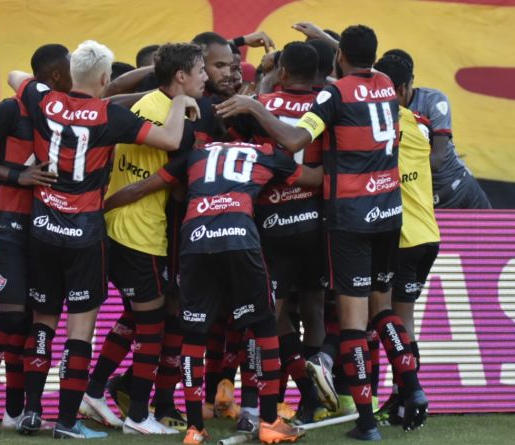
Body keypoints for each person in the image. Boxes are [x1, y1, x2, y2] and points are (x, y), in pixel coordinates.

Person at [216, 24, 428, 440]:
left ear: (340, 57)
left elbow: (293, 138)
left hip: (341, 216)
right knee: (377, 311)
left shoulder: (327, 95)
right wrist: (327, 40)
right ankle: (413, 389)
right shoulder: (385, 83)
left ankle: (359, 421)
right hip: (387, 214)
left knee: (343, 323)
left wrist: (256, 106)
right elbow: (353, 63)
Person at [6, 39, 198, 439]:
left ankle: (30, 412)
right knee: (80, 331)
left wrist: (49, 91)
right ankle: (67, 421)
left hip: (43, 230)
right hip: (85, 234)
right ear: (106, 78)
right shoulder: (108, 115)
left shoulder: (45, 100)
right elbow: (171, 140)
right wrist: (178, 101)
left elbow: (16, 77)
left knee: (43, 322)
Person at [103, 140, 322, 445]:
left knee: (193, 335)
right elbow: (314, 178)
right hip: (239, 237)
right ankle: (270, 420)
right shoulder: (264, 152)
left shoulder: (196, 153)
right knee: (263, 326)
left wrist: (97, 208)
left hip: (196, 239)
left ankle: (195, 429)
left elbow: (144, 187)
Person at [79, 42, 206, 435]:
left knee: (136, 317)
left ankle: (96, 390)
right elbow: (177, 187)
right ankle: (137, 416)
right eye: (200, 70)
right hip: (139, 233)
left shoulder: (151, 103)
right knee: (152, 324)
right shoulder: (169, 117)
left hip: (120, 228)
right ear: (181, 77)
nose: (204, 77)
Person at [0, 43, 70, 437]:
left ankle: (14, 409)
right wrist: (17, 176)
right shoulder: (10, 109)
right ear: (56, 76)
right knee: (10, 314)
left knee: (25, 319)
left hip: (41, 226)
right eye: (69, 69)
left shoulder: (59, 115)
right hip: (3, 223)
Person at [228, 41, 324, 428]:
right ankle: (314, 393)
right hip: (317, 221)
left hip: (272, 221)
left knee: (268, 316)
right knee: (315, 308)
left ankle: (251, 408)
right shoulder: (328, 103)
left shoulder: (262, 102)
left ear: (281, 72)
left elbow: (238, 139)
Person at [371, 55, 440, 426]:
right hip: (427, 236)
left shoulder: (369, 127)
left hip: (398, 237)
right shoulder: (421, 124)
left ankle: (409, 391)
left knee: (378, 316)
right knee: (404, 322)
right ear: (403, 88)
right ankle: (402, 400)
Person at [383, 49, 491, 209]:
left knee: (496, 234)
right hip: (425, 203)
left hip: (461, 190)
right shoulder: (379, 110)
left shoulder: (433, 100)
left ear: (405, 86)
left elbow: (437, 160)